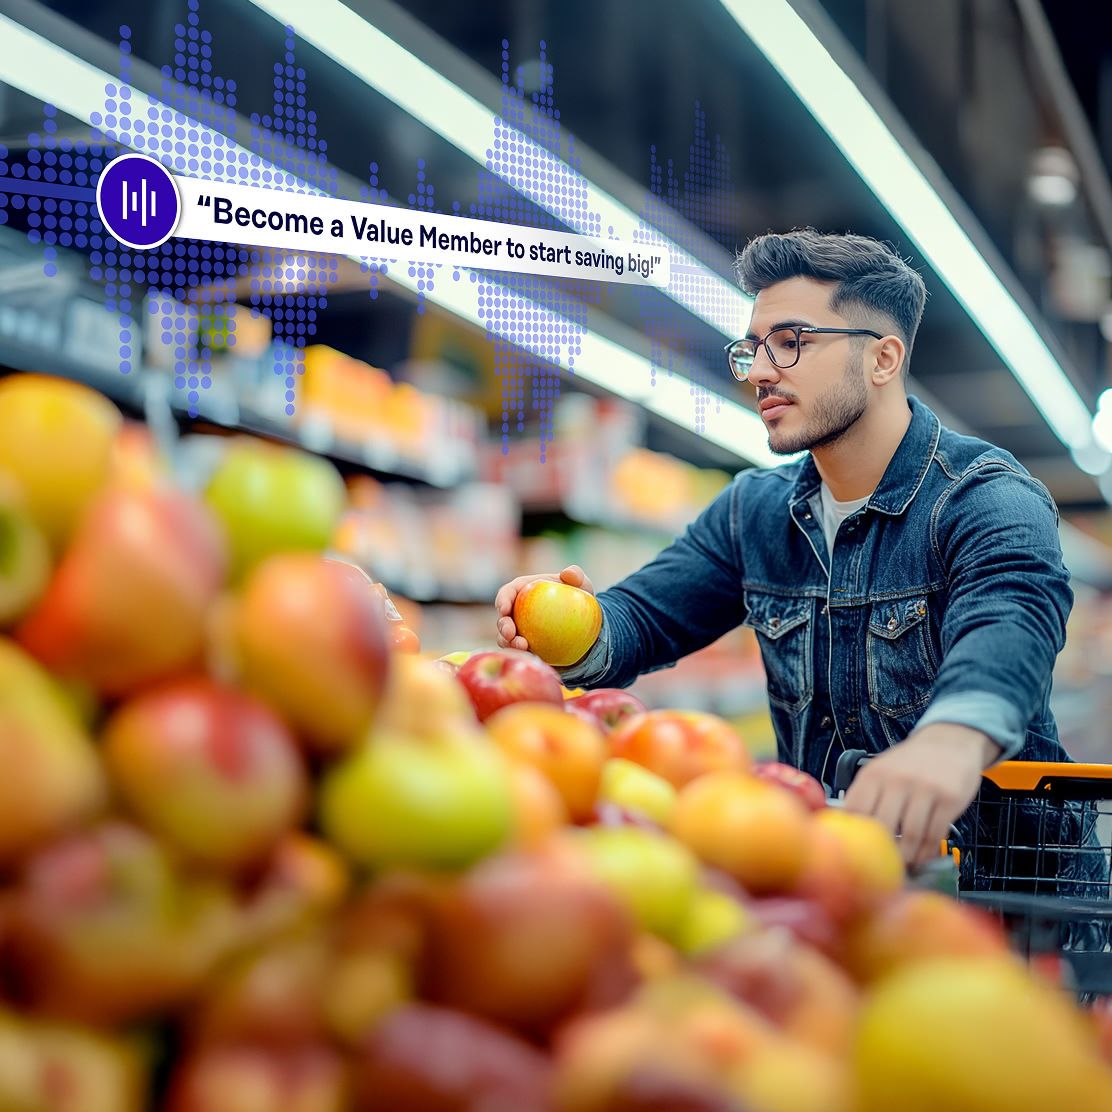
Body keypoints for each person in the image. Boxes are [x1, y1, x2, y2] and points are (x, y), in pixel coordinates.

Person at [494, 227, 1094, 886]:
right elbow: (639, 620)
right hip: (830, 888)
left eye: (790, 342)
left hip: (1009, 901)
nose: (757, 371)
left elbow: (1011, 620)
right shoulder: (753, 512)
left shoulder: (983, 497)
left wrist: (954, 736)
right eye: (752, 348)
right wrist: (563, 624)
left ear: (883, 360)